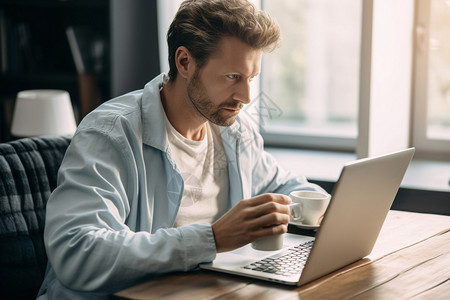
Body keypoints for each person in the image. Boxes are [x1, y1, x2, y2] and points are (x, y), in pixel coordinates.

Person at [37, 0, 323, 299]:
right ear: (184, 62)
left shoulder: (235, 132)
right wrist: (211, 239)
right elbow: (78, 252)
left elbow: (282, 186)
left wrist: (326, 209)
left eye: (251, 78)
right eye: (232, 77)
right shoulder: (109, 134)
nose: (246, 96)